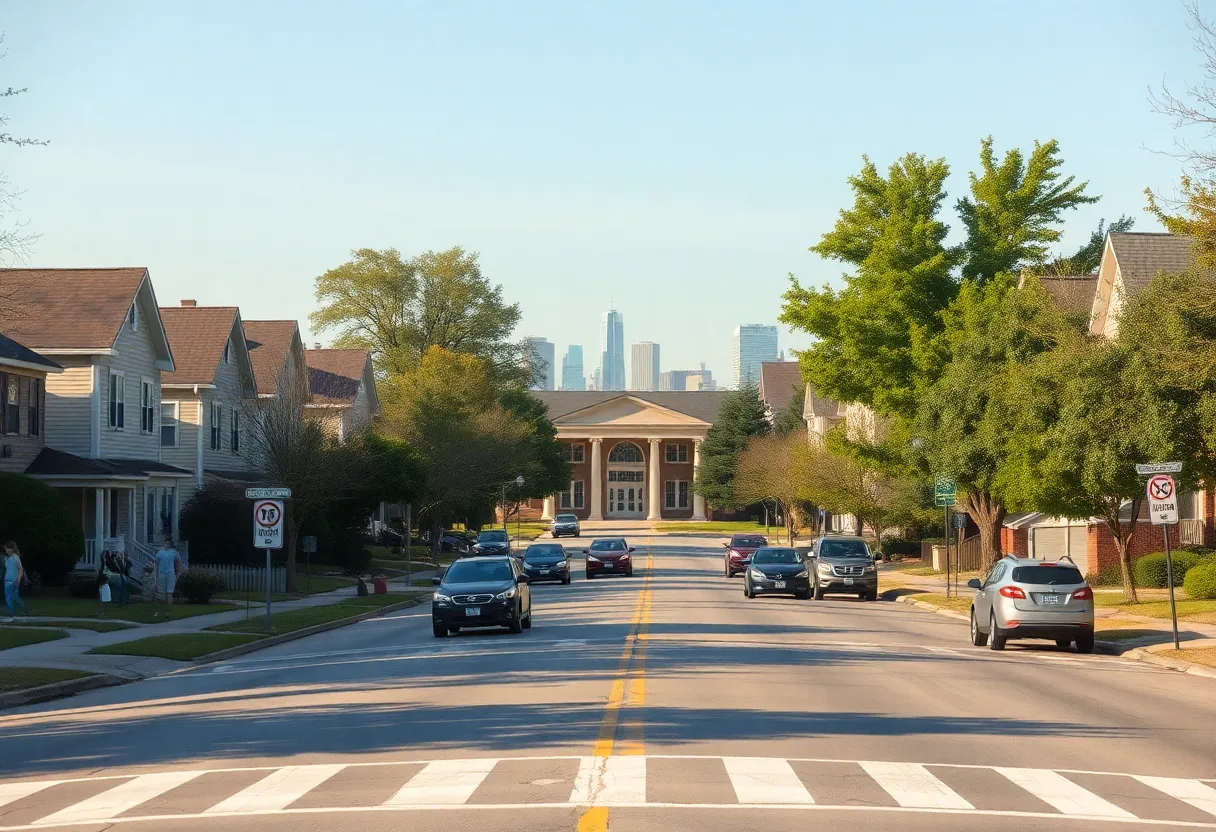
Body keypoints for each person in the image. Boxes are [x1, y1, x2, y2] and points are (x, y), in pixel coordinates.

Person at [154, 537, 183, 619]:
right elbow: (156, 565)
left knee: (169, 593)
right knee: (161, 594)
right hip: (161, 574)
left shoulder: (174, 553)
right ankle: (159, 611)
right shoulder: (160, 552)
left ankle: (168, 612)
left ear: (171, 544)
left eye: (168, 543)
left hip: (170, 574)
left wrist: (176, 577)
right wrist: (155, 578)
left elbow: (178, 567)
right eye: (165, 542)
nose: (166, 544)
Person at [3, 541, 27, 623]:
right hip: (8, 580)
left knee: (9, 598)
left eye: (8, 548)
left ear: (12, 548)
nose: (7, 550)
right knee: (15, 597)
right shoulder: (8, 558)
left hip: (13, 580)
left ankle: (11, 615)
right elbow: (8, 569)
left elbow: (20, 569)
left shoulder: (15, 557)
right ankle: (25, 610)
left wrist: (18, 580)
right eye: (6, 549)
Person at [96, 552, 113, 618]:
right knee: (102, 599)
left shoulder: (107, 566)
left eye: (105, 557)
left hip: (106, 583)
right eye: (104, 557)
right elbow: (101, 575)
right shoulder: (102, 566)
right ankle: (101, 613)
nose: (105, 559)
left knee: (105, 599)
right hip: (102, 584)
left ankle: (102, 612)